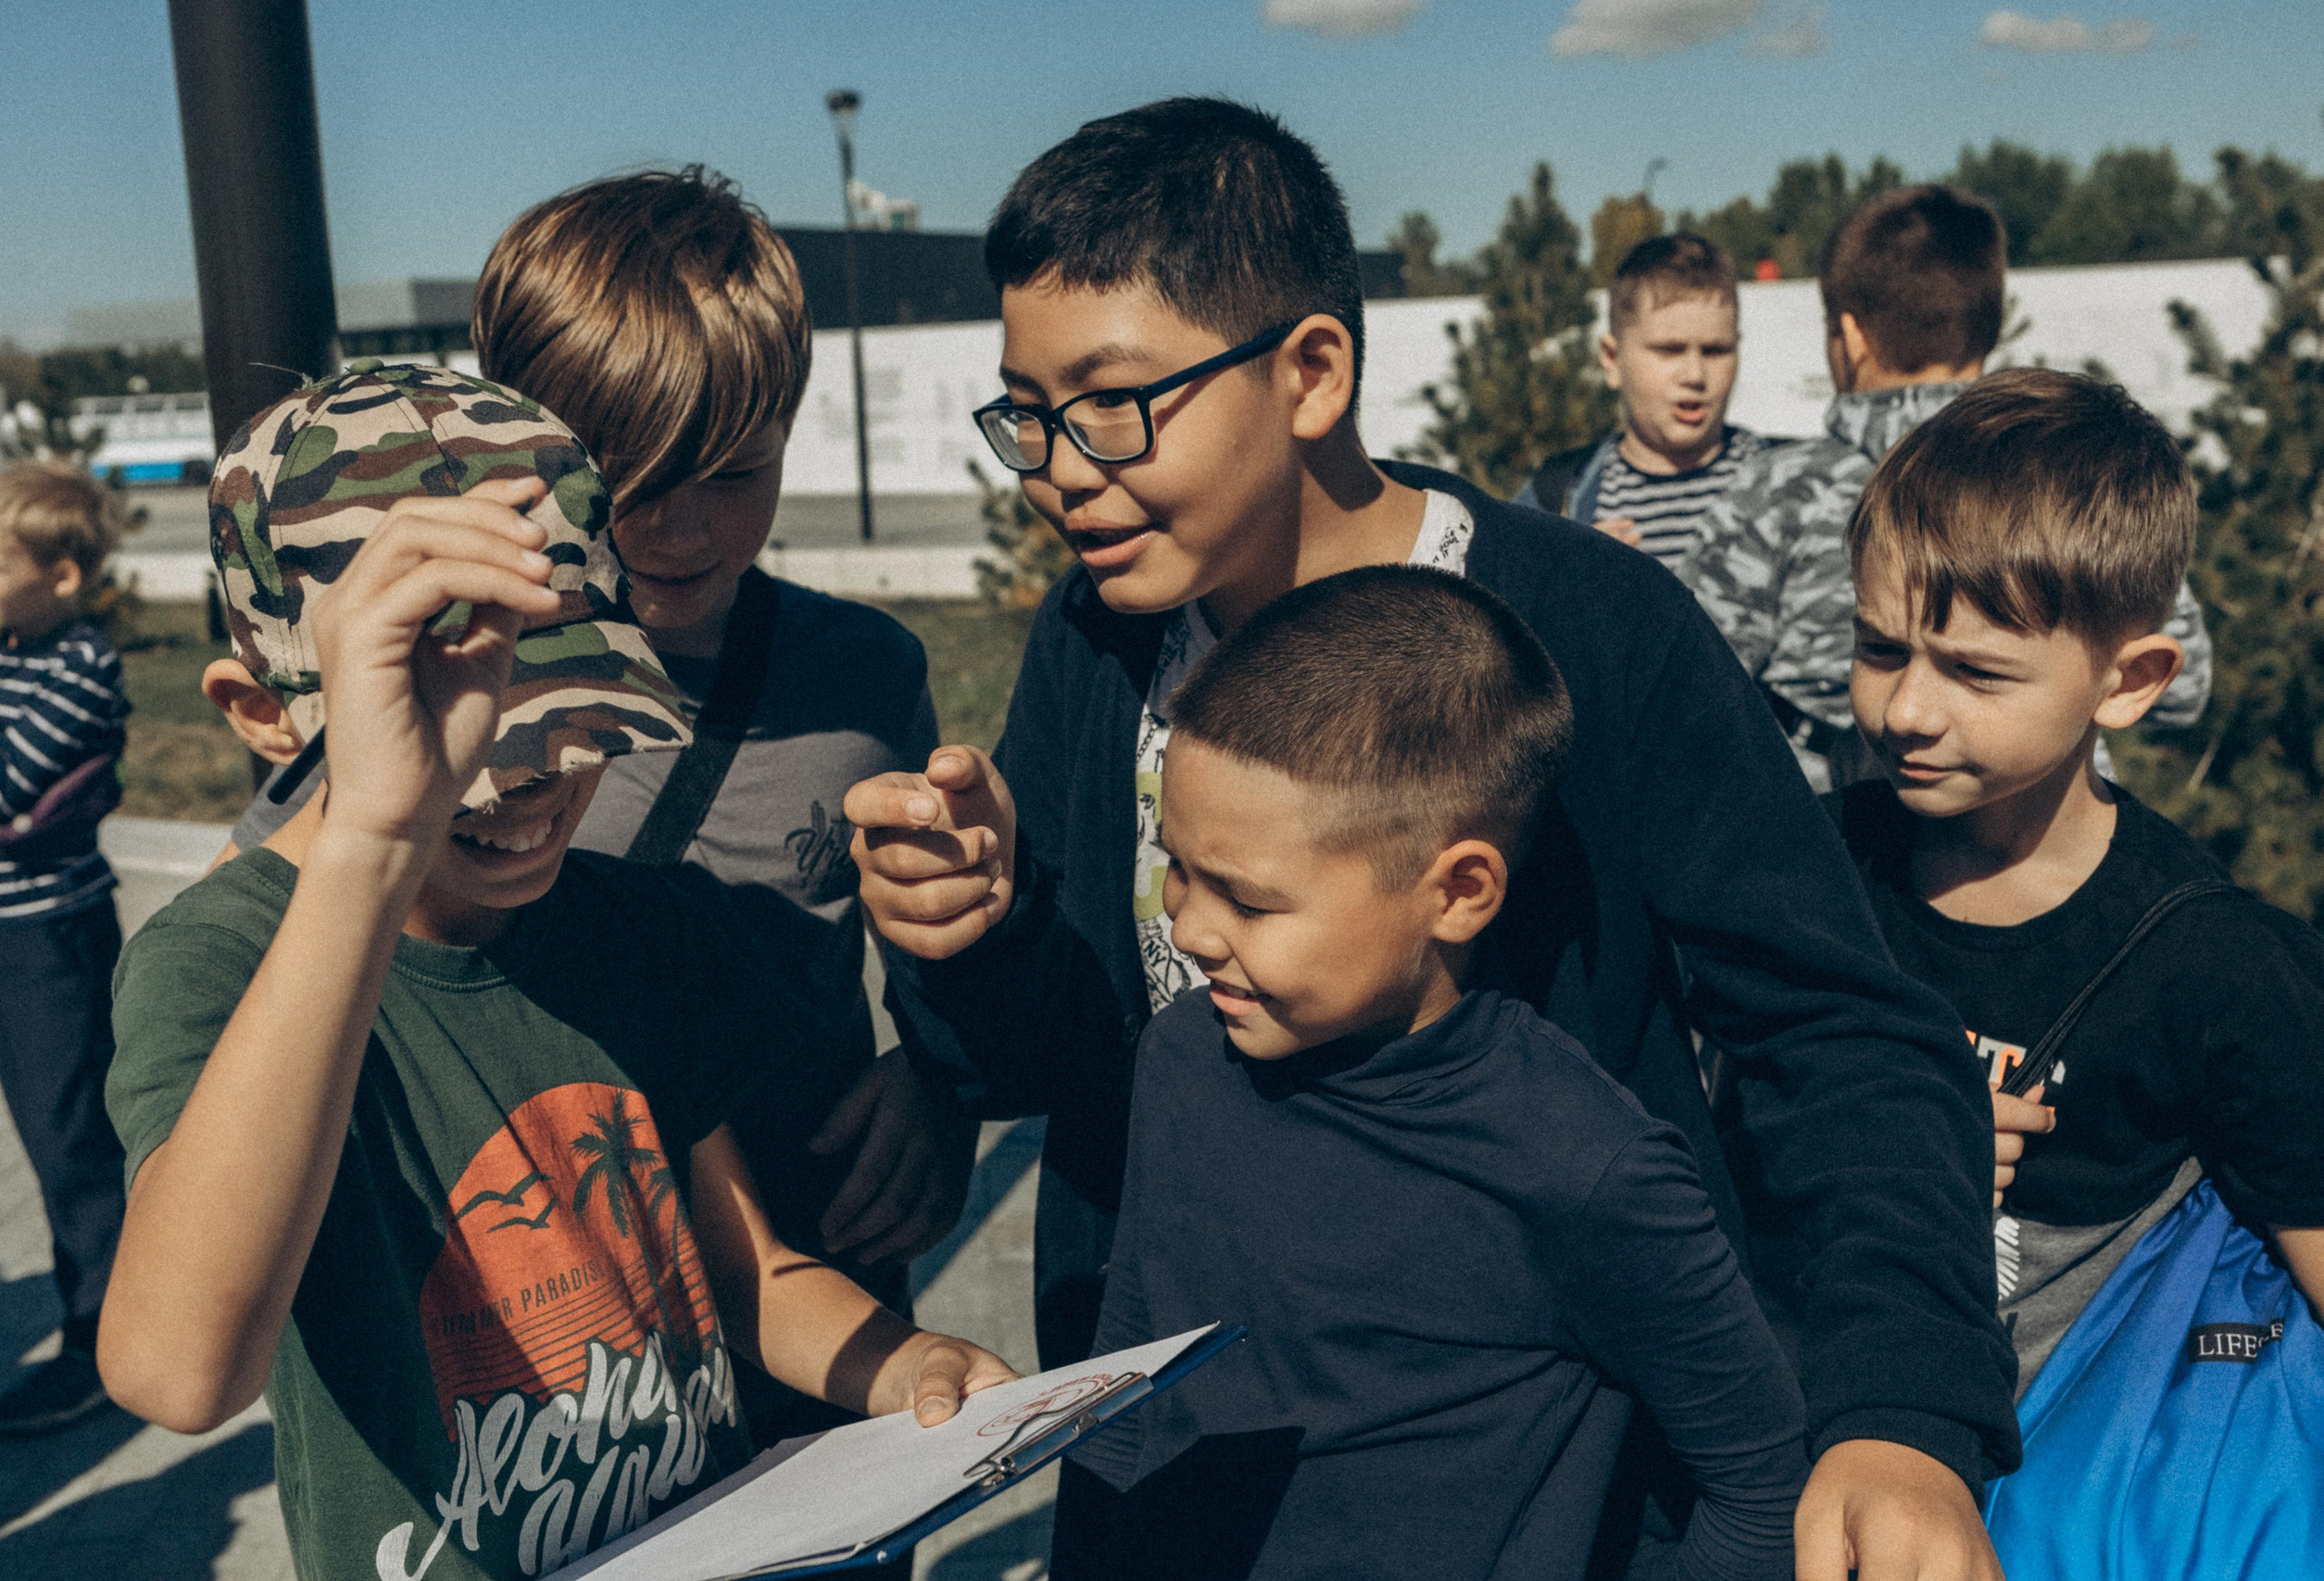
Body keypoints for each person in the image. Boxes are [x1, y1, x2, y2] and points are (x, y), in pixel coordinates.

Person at [850, 99, 2014, 1579]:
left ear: (1311, 371)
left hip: (1533, 1514)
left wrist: (1902, 1410)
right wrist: (979, 926)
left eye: (1114, 401)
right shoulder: (1097, 640)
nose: (1061, 466)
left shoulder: (1589, 630)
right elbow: (1067, 1066)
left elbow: (1843, 1034)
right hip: (1183, 1497)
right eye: (1029, 410)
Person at [98, 368, 1013, 1581]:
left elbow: (747, 1270)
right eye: (453, 740)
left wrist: (897, 1363)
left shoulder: (633, 930)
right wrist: (374, 835)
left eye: (570, 720)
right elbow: (178, 1367)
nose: (526, 786)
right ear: (266, 711)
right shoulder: (217, 965)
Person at [218, 169, 974, 1433]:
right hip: (555, 1339)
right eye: (626, 478)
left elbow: (920, 931)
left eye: (735, 473)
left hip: (819, 1280)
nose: (680, 530)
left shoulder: (868, 673)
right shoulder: (439, 681)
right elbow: (264, 961)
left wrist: (944, 1079)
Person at [1052, 566, 1810, 1580]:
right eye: (1177, 869)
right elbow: (1127, 1370)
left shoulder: (1583, 1166)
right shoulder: (1184, 1059)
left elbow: (1761, 1481)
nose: (1189, 929)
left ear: (1457, 891)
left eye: (1247, 900)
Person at [1827, 368, 2324, 1398]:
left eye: (1974, 672)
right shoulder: (1810, 873)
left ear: (2130, 681)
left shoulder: (2219, 968)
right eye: (1880, 650)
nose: (1908, 709)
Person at [1675, 182, 2211, 791]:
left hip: (1832, 838)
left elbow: (1688, 696)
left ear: (1850, 338)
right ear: (1990, 326)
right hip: (2046, 828)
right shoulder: (2073, 485)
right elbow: (2181, 695)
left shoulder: (1779, 488)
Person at [0, 462, 132, 1437]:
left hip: (42, 939)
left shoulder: (76, 665)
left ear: (61, 575)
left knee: (72, 1146)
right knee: (47, 1135)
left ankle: (104, 1342)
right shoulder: (8, 646)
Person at [1514, 232, 1774, 567]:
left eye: (1715, 350)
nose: (1695, 375)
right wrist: (1564, 577)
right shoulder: (1556, 496)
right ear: (1612, 360)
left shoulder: (1788, 481)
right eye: (1669, 350)